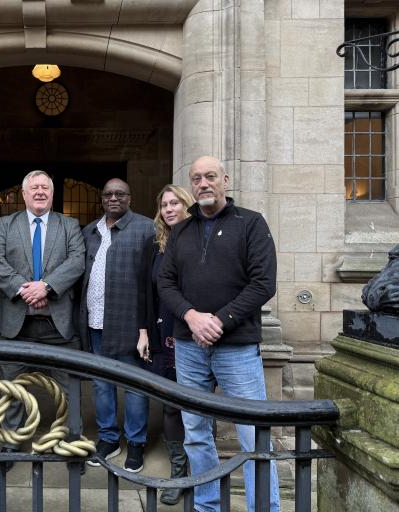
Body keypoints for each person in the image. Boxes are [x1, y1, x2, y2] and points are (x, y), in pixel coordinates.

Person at [157, 156, 281, 512]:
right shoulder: (180, 230)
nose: (203, 183)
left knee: (253, 434)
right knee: (195, 433)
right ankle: (208, 506)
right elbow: (165, 282)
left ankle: (265, 508)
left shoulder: (251, 224)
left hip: (237, 349)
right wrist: (192, 317)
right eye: (196, 178)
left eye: (210, 176)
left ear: (225, 180)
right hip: (189, 346)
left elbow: (263, 283)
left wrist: (220, 320)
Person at [0, 170, 85, 470]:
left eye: (45, 187)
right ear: (24, 194)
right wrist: (24, 289)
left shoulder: (69, 225)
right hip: (17, 324)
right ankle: (10, 442)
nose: (40, 192)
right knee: (11, 388)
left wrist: (47, 286)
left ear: (52, 194)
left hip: (59, 325)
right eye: (34, 188)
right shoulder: (6, 224)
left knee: (70, 389)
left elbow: (77, 260)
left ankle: (73, 444)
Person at [81, 178, 155, 473]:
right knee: (101, 385)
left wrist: (146, 327)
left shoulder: (145, 228)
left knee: (135, 386)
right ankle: (109, 439)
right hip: (95, 322)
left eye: (119, 194)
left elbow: (153, 282)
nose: (113, 198)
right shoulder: (90, 231)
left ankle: (135, 443)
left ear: (129, 198)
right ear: (102, 198)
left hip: (130, 323)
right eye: (108, 193)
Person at [137, 184, 195, 504]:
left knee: (197, 405)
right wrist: (144, 331)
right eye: (164, 204)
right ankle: (179, 472)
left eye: (175, 203)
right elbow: (145, 290)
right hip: (162, 331)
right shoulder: (154, 244)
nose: (169, 209)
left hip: (194, 332)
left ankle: (202, 469)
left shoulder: (201, 241)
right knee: (170, 404)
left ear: (187, 205)